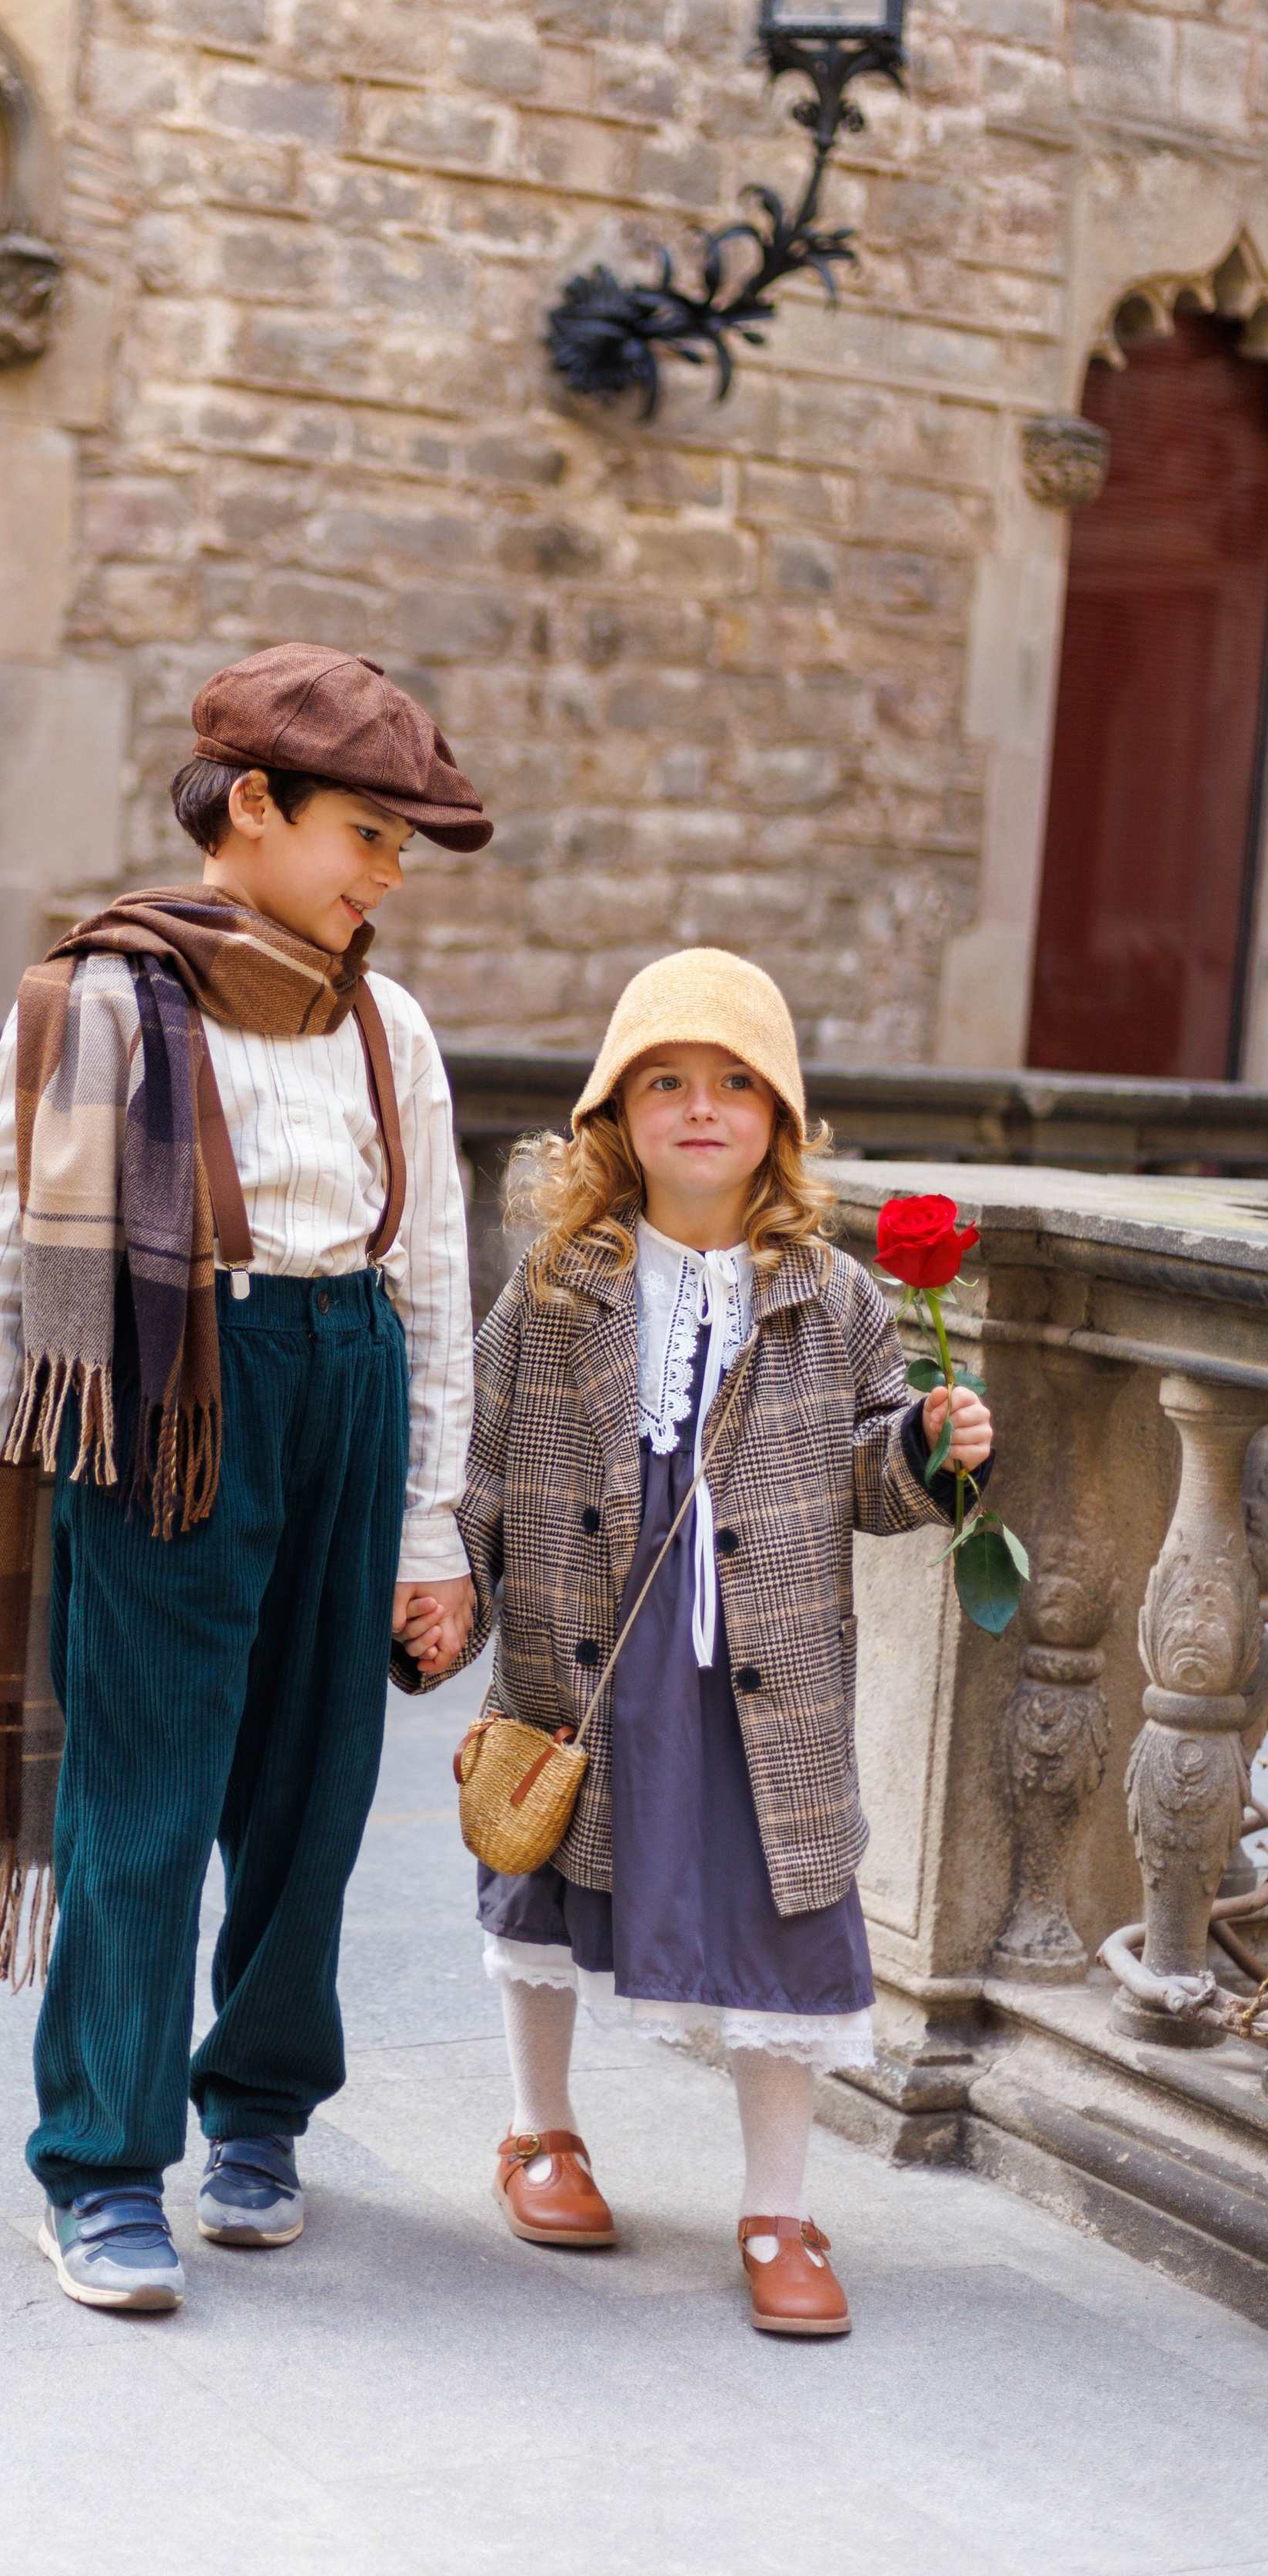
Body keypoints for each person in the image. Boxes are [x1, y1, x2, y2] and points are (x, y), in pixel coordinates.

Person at [0, 643, 488, 2314]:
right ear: (256, 808)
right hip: (164, 1405)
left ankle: (260, 2113)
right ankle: (102, 2166)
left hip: (344, 1380)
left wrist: (433, 1529)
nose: (382, 875)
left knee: (312, 1791)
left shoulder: (388, 1024)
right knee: (139, 1793)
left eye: (398, 850)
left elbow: (428, 1275)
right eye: (365, 835)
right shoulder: (95, 1001)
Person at [448, 948, 993, 2338]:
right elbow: (487, 1463)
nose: (702, 1108)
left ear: (782, 1121)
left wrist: (929, 1447)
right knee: (549, 1872)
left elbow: (872, 1477)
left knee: (782, 1912)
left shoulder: (838, 1296)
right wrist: (446, 1585)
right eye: (667, 1082)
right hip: (587, 1655)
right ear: (615, 1115)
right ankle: (539, 2130)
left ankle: (777, 2206)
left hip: (763, 1673)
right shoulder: (557, 1285)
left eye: (737, 1084)